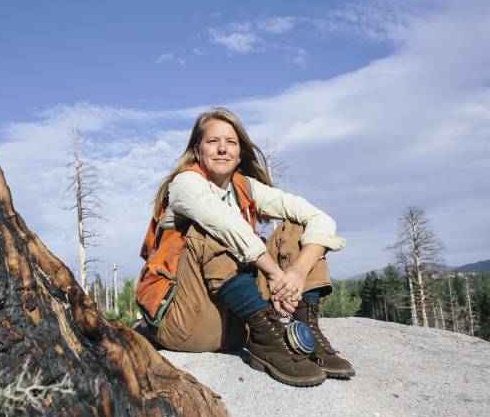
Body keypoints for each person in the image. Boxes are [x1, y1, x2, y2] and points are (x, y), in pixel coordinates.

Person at [136, 107, 354, 387]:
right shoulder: (185, 185)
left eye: (231, 142)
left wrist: (296, 273)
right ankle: (268, 340)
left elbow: (321, 219)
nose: (222, 149)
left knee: (297, 228)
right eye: (213, 141)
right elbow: (225, 223)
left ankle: (304, 334)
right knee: (212, 228)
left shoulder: (245, 188)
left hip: (239, 322)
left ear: (240, 153)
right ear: (197, 150)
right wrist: (276, 274)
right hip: (188, 323)